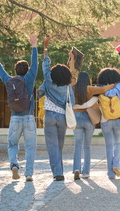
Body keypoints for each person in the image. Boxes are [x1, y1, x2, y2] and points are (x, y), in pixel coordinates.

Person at [0, 34, 38, 181]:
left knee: (12, 144)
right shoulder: (29, 78)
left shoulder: (9, 80)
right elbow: (35, 63)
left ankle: (14, 164)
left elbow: (0, 71)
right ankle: (29, 174)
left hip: (15, 118)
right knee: (30, 147)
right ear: (27, 70)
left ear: (15, 70)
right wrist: (34, 45)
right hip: (29, 118)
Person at [37, 38, 75, 181]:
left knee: (52, 146)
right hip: (62, 118)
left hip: (50, 117)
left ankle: (58, 173)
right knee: (59, 145)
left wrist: (45, 50)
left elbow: (45, 68)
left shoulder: (49, 81)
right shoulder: (67, 88)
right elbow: (73, 102)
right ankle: (59, 171)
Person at [71, 63, 116, 180]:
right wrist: (114, 84)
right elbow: (103, 89)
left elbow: (72, 75)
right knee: (87, 146)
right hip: (89, 118)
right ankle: (86, 172)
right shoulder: (90, 89)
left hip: (77, 117)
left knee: (77, 145)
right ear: (88, 80)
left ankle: (76, 168)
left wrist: (72, 61)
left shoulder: (73, 88)